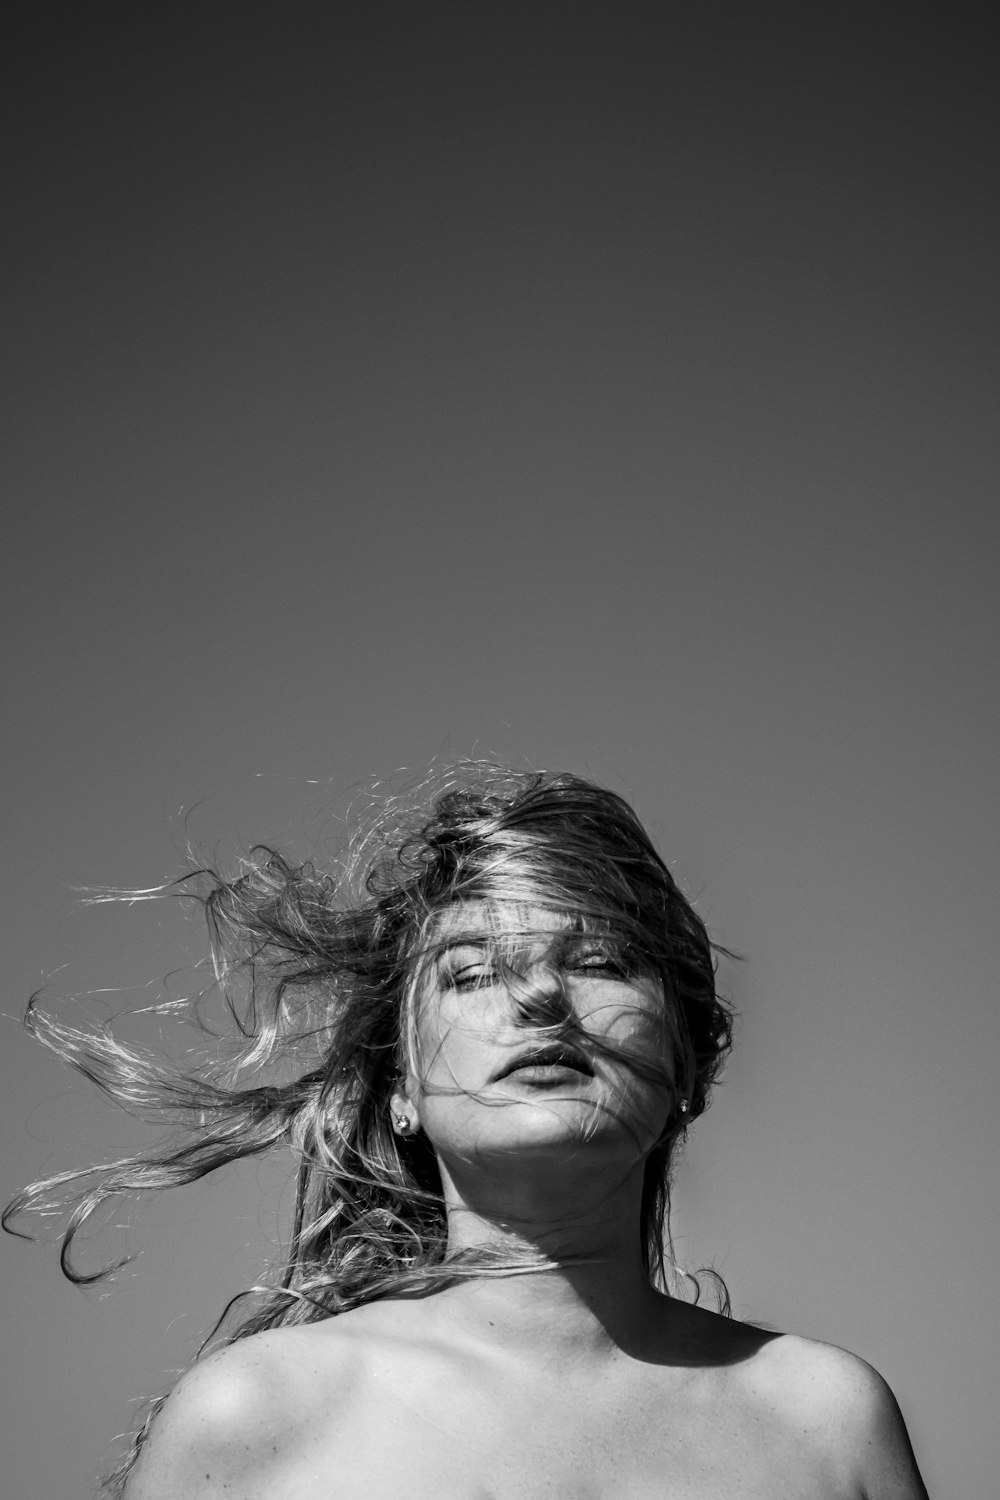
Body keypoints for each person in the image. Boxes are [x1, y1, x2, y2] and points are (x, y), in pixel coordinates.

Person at [5, 764, 928, 1498]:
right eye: (474, 972)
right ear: (398, 1087)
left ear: (688, 1067)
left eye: (602, 960)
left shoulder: (826, 1421)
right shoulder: (255, 1418)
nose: (540, 997)